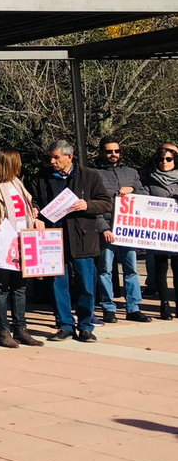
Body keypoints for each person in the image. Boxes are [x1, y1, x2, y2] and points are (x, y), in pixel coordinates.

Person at [28, 140, 110, 343]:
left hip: (83, 238)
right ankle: (64, 325)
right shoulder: (42, 177)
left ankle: (85, 326)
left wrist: (87, 205)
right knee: (58, 284)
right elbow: (34, 200)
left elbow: (105, 202)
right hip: (54, 239)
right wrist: (35, 210)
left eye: (56, 157)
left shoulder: (89, 175)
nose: (52, 161)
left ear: (69, 157)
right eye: (50, 157)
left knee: (86, 285)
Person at [0, 150, 46, 348]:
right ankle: (3, 331)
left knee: (21, 287)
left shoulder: (18, 184)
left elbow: (26, 212)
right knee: (1, 288)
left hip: (24, 241)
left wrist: (35, 219)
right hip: (4, 244)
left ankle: (21, 328)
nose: (20, 165)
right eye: (17, 162)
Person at [92, 137, 149, 323]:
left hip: (127, 229)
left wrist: (132, 189)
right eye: (109, 151)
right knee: (105, 270)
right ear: (102, 152)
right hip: (107, 228)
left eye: (116, 151)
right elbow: (95, 204)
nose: (113, 155)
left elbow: (144, 195)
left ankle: (133, 307)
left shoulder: (131, 172)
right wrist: (103, 228)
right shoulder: (95, 173)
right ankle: (109, 307)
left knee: (131, 269)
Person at [143, 145, 178, 319]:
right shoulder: (149, 179)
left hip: (177, 233)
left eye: (168, 159)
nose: (164, 162)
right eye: (161, 159)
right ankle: (164, 305)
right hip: (159, 232)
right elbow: (142, 199)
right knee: (160, 269)